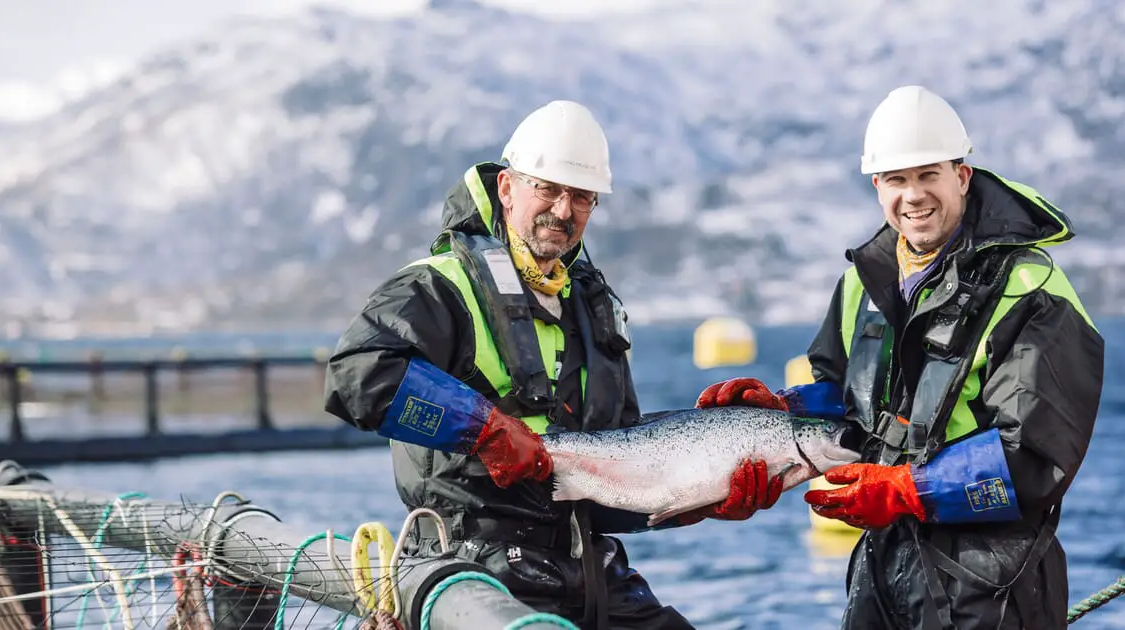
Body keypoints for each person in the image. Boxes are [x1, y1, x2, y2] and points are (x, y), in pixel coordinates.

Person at [323, 100, 782, 630]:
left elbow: (613, 475)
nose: (564, 211)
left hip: (588, 565)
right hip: (469, 567)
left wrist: (701, 496)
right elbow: (356, 377)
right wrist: (486, 430)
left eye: (582, 196)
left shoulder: (596, 309)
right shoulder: (437, 286)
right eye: (548, 188)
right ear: (507, 188)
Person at [696, 85, 1104, 629]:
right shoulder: (858, 286)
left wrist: (910, 489)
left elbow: (1035, 456)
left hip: (994, 588)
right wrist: (780, 411)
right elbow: (847, 402)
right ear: (876, 187)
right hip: (882, 571)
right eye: (896, 179)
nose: (913, 195)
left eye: (927, 174)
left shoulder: (1032, 289)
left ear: (961, 175)